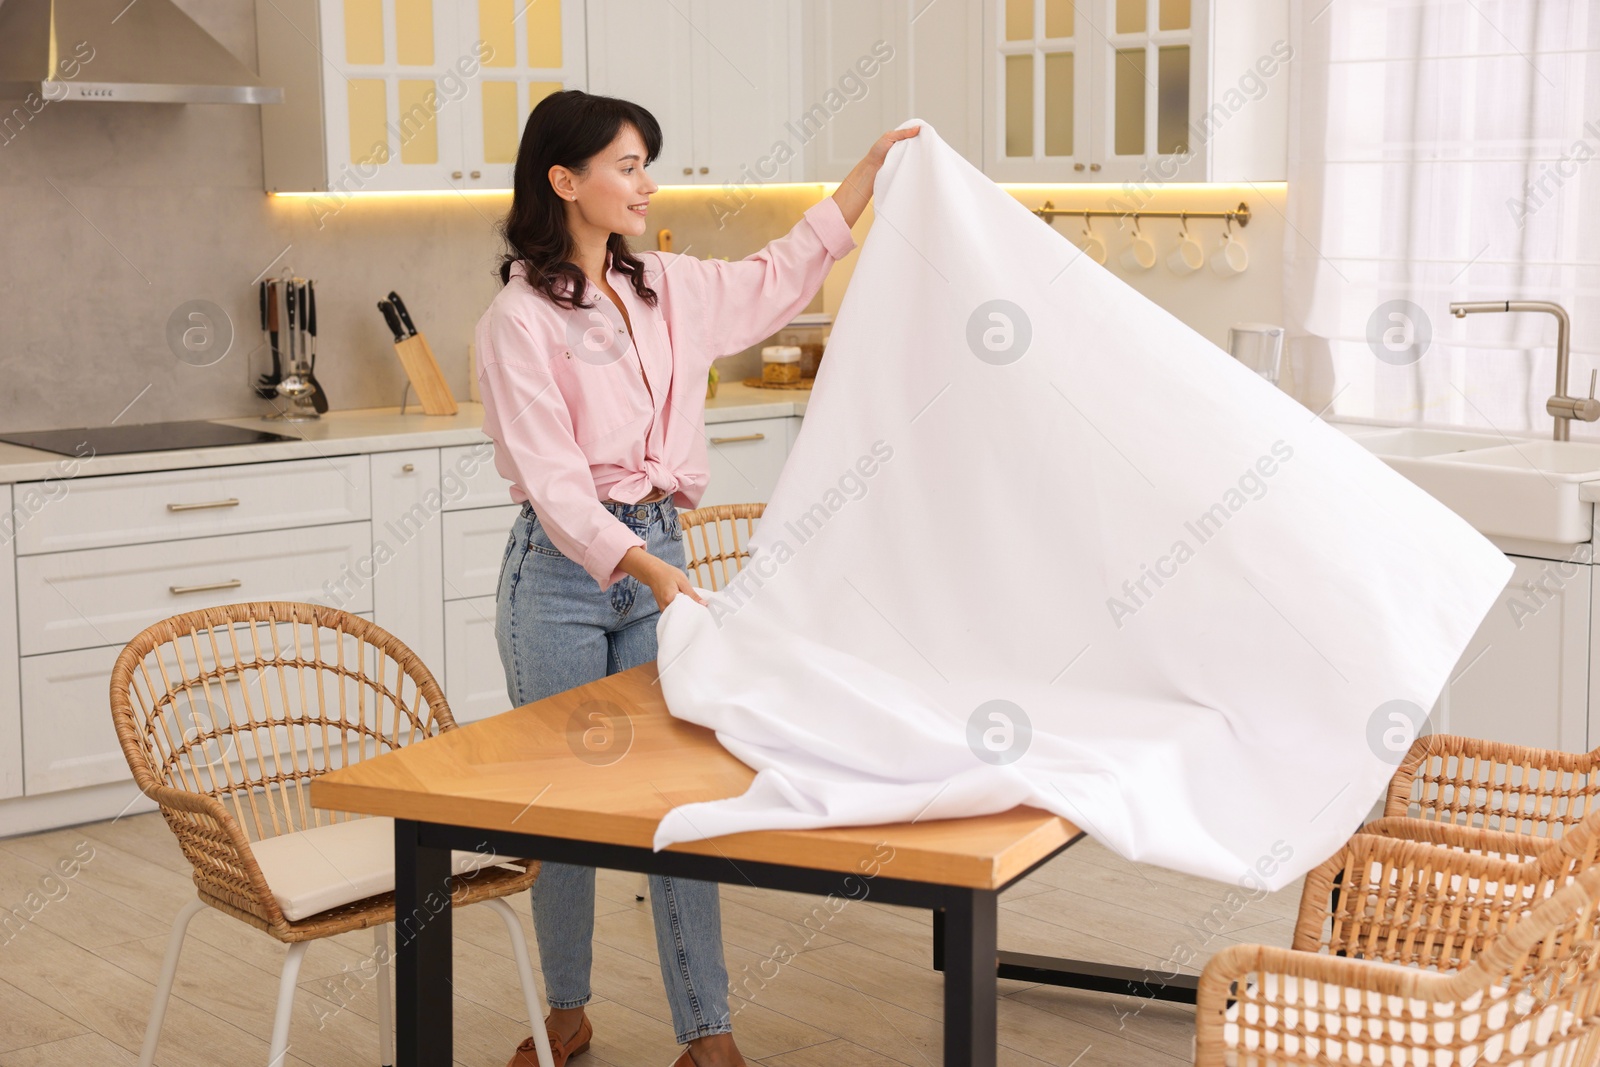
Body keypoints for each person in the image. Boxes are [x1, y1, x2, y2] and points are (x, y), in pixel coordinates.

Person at [477, 88, 918, 1067]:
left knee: (683, 798)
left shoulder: (662, 285)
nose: (646, 183)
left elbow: (774, 277)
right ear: (566, 181)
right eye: (627, 165)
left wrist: (867, 179)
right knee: (563, 804)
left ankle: (707, 1029)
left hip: (657, 553)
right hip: (559, 575)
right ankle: (564, 1011)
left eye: (645, 163)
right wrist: (645, 569)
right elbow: (554, 486)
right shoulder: (516, 322)